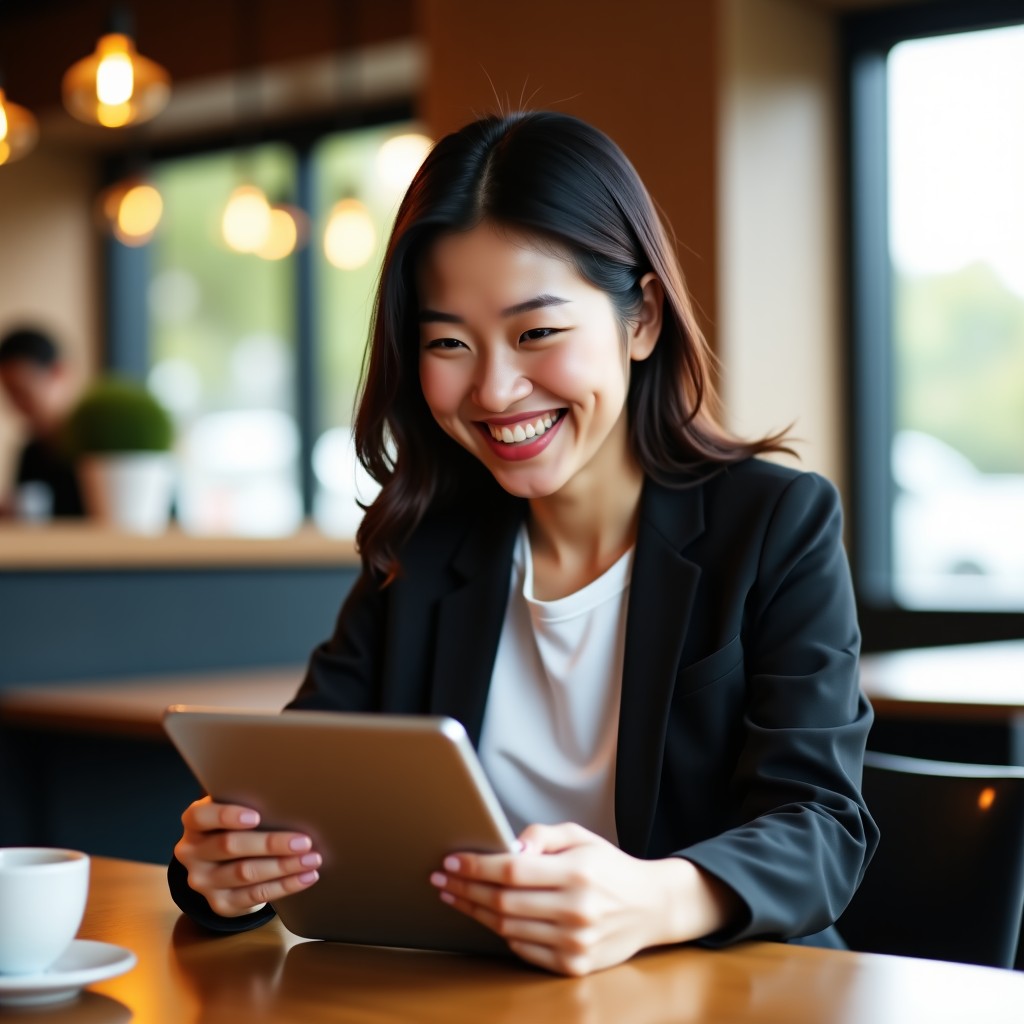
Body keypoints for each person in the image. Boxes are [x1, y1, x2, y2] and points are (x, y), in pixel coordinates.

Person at [170, 111, 878, 976]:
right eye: (447, 343)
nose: (496, 388)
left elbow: (822, 828)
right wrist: (224, 866)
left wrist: (653, 896)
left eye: (537, 332)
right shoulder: (426, 549)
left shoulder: (773, 524)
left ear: (642, 319)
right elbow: (300, 782)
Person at [0, 327, 85, 518]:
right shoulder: (31, 453)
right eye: (9, 394)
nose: (15, 405)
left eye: (21, 392)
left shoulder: (99, 449)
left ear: (58, 373)